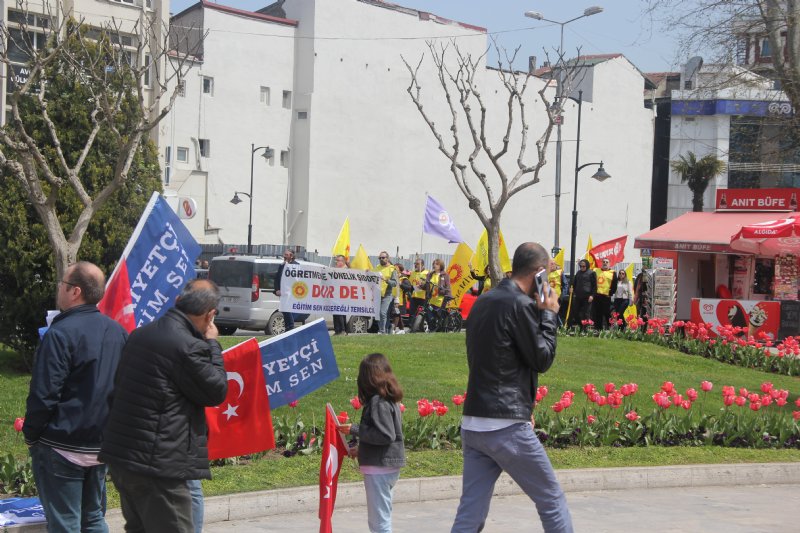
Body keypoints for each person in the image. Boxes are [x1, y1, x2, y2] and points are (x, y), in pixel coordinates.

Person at [451, 243, 572, 533]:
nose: (550, 284)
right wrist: (549, 314)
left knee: (471, 512)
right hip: (505, 425)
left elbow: (491, 358)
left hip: (474, 422)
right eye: (548, 276)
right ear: (539, 272)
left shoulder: (484, 301)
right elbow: (542, 358)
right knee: (551, 499)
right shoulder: (522, 305)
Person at [99, 279, 228, 533]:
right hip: (158, 468)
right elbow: (216, 390)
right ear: (210, 314)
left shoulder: (141, 334)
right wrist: (213, 344)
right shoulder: (188, 346)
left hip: (125, 458)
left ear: (178, 302)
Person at [23, 261, 128, 533]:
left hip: (62, 446)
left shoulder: (59, 333)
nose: (59, 288)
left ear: (75, 291)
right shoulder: (117, 332)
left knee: (65, 524)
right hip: (101, 446)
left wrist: (32, 435)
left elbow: (44, 394)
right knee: (93, 518)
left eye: (62, 284)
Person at [339, 353, 405, 533]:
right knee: (382, 518)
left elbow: (385, 435)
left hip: (380, 469)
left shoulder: (378, 402)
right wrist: (361, 450)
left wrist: (355, 429)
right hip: (387, 465)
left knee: (379, 524)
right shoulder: (389, 400)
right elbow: (384, 437)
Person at [274, 249, 300, 331]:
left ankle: (291, 327)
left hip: (291, 292)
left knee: (288, 309)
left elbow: (296, 279)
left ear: (291, 256)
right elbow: (277, 278)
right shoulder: (282, 265)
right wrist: (277, 289)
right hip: (282, 292)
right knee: (284, 310)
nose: (284, 256)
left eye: (286, 255)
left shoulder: (296, 265)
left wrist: (288, 266)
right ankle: (287, 327)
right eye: (284, 254)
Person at [424, 258, 452, 330]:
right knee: (430, 314)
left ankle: (439, 328)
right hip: (431, 299)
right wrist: (420, 286)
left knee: (439, 316)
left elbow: (448, 287)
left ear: (441, 265)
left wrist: (449, 299)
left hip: (440, 300)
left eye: (436, 264)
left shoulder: (445, 275)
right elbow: (427, 285)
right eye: (433, 263)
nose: (434, 265)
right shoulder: (430, 274)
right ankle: (432, 328)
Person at [568, 259, 596, 328]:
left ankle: (585, 329)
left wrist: (592, 295)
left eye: (584, 266)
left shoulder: (592, 273)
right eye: (581, 266)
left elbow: (594, 286)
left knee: (586, 313)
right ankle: (580, 325)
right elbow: (574, 283)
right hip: (578, 296)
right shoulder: (578, 273)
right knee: (575, 312)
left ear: (587, 266)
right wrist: (571, 288)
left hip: (587, 297)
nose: (582, 267)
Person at [374, 251, 397, 334]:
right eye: (379, 258)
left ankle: (382, 331)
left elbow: (395, 283)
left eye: (383, 258)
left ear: (387, 258)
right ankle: (386, 327)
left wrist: (386, 280)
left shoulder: (392, 269)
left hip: (387, 294)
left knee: (382, 313)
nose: (381, 259)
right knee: (377, 314)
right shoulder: (377, 267)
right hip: (377, 293)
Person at [593, 258, 616, 330]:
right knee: (597, 313)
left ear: (609, 264)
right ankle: (598, 329)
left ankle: (609, 328)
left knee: (607, 313)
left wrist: (610, 293)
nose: (605, 263)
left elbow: (615, 285)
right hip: (597, 296)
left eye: (607, 262)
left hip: (606, 296)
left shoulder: (612, 273)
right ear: (601, 263)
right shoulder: (596, 271)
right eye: (603, 262)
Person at [332, 254, 349, 335]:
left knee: (341, 312)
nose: (336, 262)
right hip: (335, 293)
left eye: (338, 260)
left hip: (343, 294)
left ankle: (342, 330)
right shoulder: (335, 269)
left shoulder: (346, 270)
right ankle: (337, 330)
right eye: (336, 260)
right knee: (335, 312)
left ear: (343, 261)